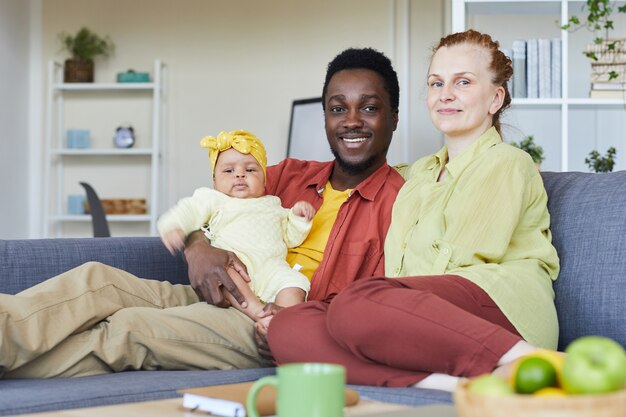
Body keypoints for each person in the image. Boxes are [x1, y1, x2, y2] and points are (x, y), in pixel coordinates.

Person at [0, 47, 405, 378]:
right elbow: (213, 204)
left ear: (394, 118)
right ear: (325, 118)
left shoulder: (402, 202)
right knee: (98, 281)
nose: (351, 121)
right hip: (217, 294)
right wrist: (197, 248)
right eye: (338, 109)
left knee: (129, 328)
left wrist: (295, 326)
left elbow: (380, 308)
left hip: (267, 326)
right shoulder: (288, 175)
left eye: (368, 108)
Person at [267, 29, 560, 391]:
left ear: (495, 98)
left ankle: (533, 360)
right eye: (436, 84)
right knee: (288, 327)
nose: (445, 95)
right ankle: (450, 384)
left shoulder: (507, 162)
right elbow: (364, 173)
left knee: (356, 302)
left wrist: (384, 303)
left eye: (463, 82)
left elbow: (460, 261)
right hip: (418, 317)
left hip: (497, 311)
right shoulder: (418, 174)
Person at [158, 129, 315, 324]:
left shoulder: (273, 204)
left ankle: (285, 318)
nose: (240, 175)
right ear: (215, 181)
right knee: (222, 270)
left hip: (272, 270)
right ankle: (259, 313)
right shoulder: (213, 199)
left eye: (250, 170)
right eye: (229, 170)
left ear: (264, 179)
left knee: (296, 283)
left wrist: (299, 218)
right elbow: (188, 210)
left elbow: (291, 238)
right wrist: (175, 226)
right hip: (234, 267)